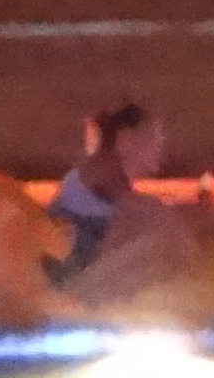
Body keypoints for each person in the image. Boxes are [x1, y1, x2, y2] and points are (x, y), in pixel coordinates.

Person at [52, 103, 171, 275]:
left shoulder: (101, 171)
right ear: (126, 140)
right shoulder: (104, 171)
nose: (160, 146)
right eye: (154, 138)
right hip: (69, 271)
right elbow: (129, 210)